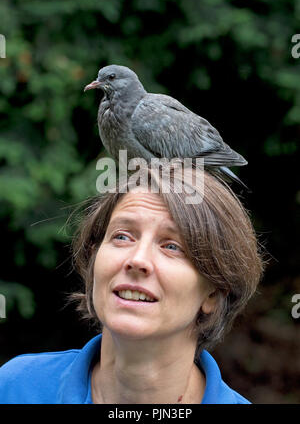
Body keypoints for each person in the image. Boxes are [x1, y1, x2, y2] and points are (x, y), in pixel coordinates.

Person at [0, 163, 265, 404]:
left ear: (214, 294)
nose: (137, 260)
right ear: (94, 260)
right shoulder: (15, 388)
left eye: (172, 246)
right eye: (123, 237)